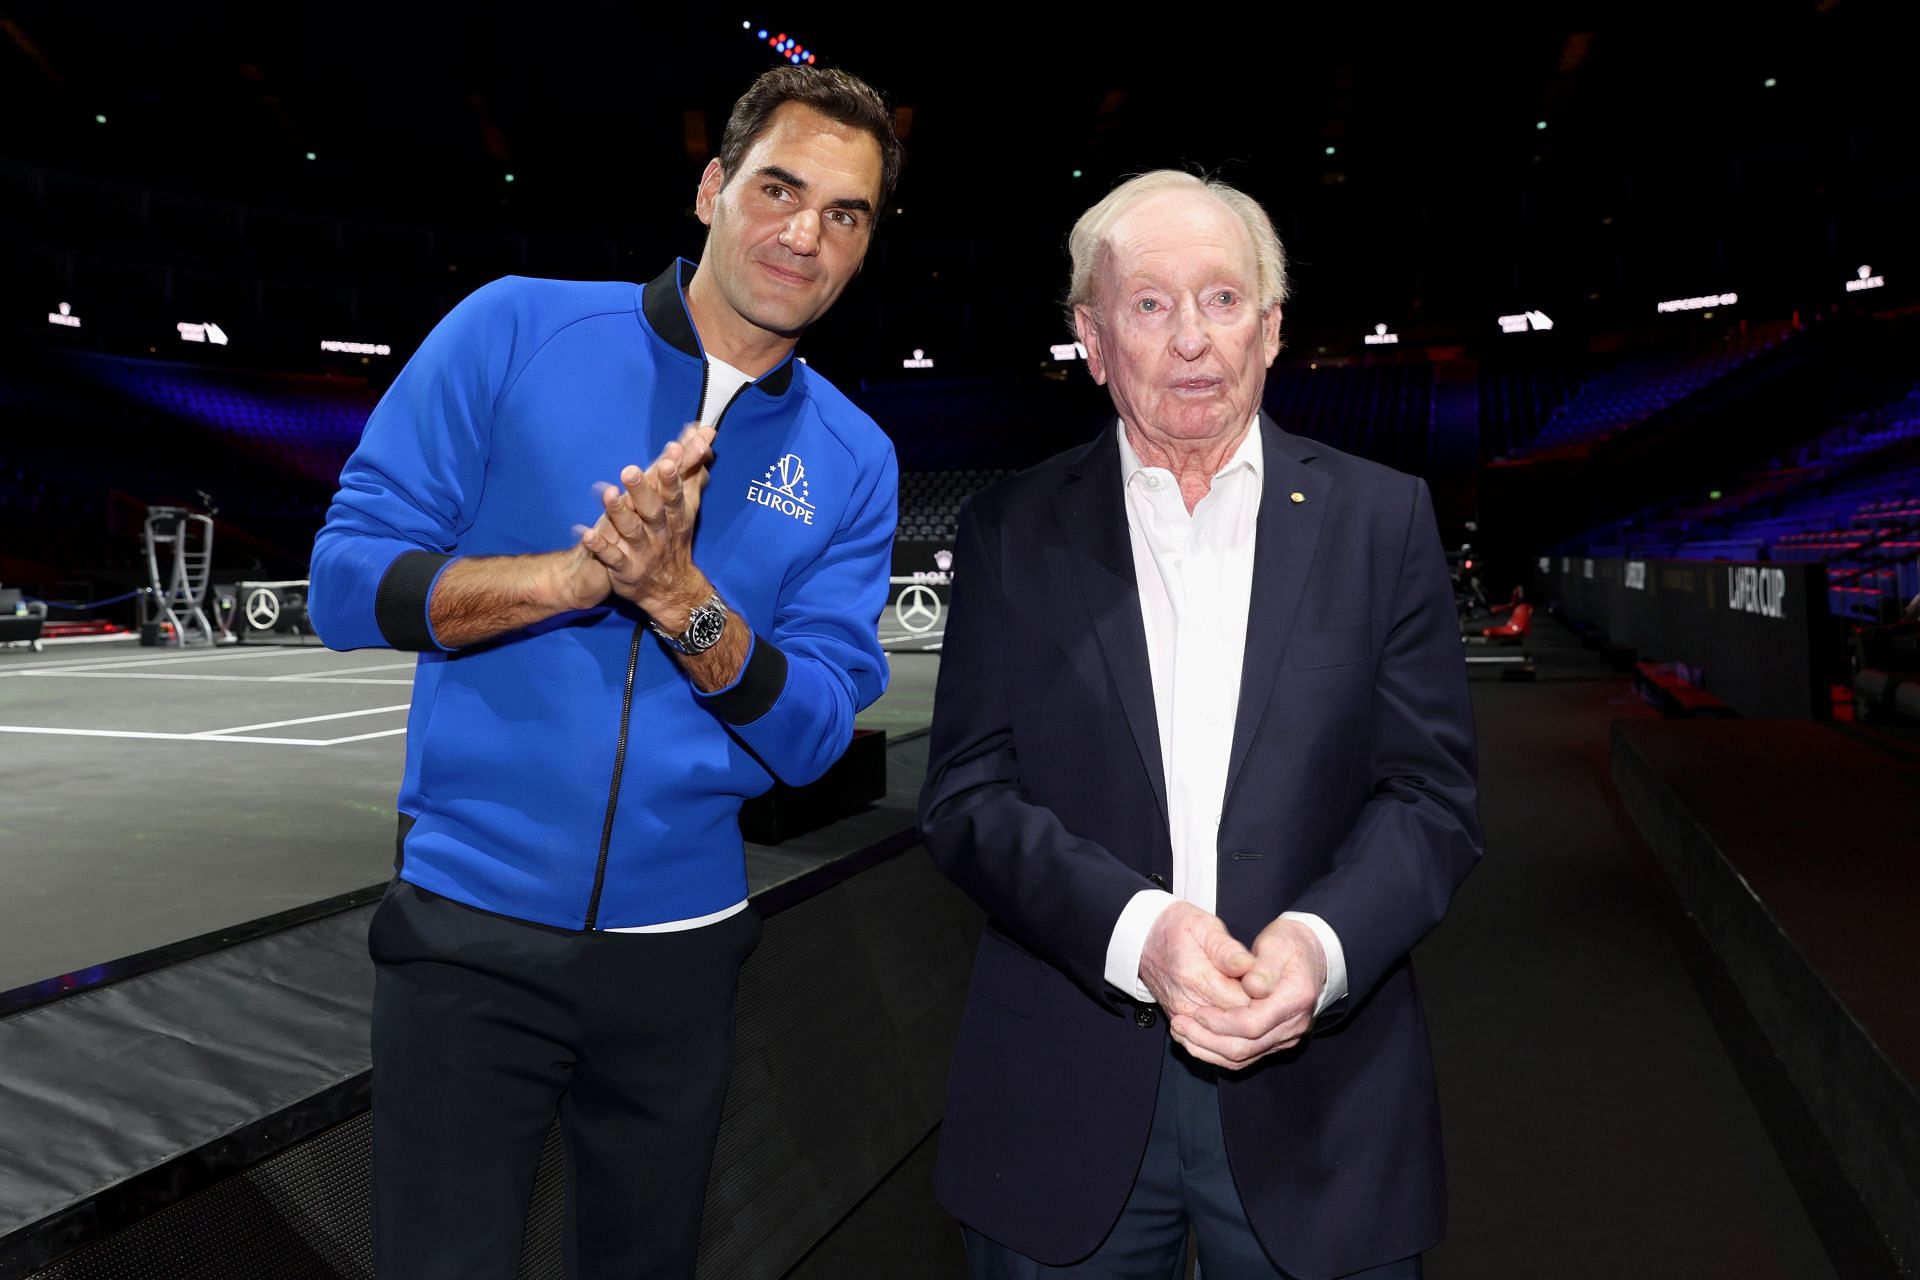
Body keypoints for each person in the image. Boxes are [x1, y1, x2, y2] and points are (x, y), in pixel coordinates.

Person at [308, 65, 902, 1280]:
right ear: (710, 188)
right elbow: (343, 580)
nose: (806, 232)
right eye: (780, 188)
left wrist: (681, 599)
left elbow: (813, 735)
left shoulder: (856, 455)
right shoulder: (516, 325)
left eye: (847, 214)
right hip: (468, 936)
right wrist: (571, 582)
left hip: (682, 956)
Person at [918, 170, 1482, 1279]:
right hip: (1061, 1101)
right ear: (1091, 335)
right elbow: (968, 795)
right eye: (1150, 304)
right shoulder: (1005, 531)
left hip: (1324, 1101)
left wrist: (1317, 949)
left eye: (1223, 300)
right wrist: (1143, 936)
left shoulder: (1384, 518)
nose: (1191, 340)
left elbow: (1430, 798)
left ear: (1271, 329)